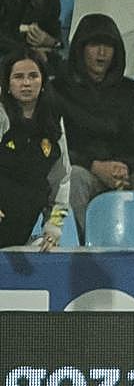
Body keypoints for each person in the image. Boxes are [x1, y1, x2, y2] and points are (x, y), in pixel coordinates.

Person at [56, 13, 134, 239]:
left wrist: (124, 166)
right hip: (85, 169)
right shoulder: (59, 89)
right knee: (75, 179)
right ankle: (80, 250)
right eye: (94, 45)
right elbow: (58, 144)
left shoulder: (129, 91)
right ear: (81, 48)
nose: (102, 52)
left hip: (125, 171)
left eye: (108, 45)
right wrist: (95, 166)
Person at [0, 48, 69, 249]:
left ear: (43, 80)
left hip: (21, 225)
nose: (27, 83)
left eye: (33, 76)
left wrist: (53, 227)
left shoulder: (54, 121)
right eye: (18, 77)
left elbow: (61, 180)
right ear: (7, 83)